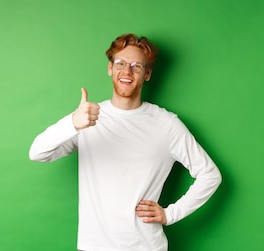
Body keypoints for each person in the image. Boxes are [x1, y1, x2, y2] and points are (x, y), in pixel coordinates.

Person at [28, 33, 222, 251]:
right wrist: (73, 122)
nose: (127, 71)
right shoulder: (88, 118)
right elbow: (37, 153)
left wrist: (170, 214)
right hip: (94, 246)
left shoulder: (166, 124)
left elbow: (210, 174)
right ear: (110, 68)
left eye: (136, 66)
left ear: (147, 73)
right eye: (120, 63)